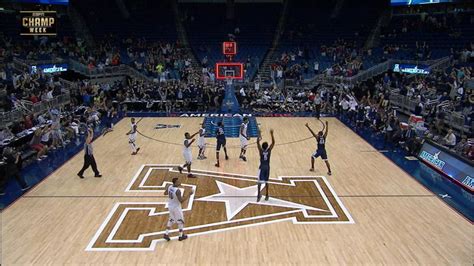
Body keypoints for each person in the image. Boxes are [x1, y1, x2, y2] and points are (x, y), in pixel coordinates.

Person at [163, 177, 194, 241]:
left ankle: (166, 234)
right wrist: (189, 194)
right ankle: (180, 236)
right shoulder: (177, 190)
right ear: (176, 182)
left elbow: (165, 193)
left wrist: (171, 194)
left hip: (170, 206)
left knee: (171, 220)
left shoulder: (170, 187)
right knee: (180, 221)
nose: (180, 182)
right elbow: (181, 201)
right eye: (178, 181)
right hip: (176, 207)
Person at [256, 129, 275, 202]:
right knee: (266, 182)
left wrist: (259, 134)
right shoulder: (269, 151)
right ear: (267, 147)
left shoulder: (261, 151)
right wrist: (272, 134)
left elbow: (257, 142)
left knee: (259, 182)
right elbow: (273, 143)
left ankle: (258, 195)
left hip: (262, 167)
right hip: (267, 167)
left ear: (262, 147)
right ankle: (267, 195)